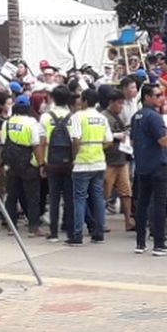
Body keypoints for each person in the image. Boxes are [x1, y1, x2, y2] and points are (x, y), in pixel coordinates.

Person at [131, 83, 167, 256]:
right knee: (159, 203)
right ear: (147, 97)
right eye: (157, 95)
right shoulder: (154, 117)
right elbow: (164, 141)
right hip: (157, 164)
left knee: (142, 203)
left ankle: (140, 242)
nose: (161, 98)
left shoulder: (137, 116)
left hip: (143, 164)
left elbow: (134, 141)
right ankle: (159, 243)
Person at [68, 88, 112, 246]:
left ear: (85, 100)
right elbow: (109, 140)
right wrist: (97, 147)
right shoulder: (101, 118)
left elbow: (75, 140)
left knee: (79, 199)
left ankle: (77, 234)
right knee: (98, 198)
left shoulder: (77, 117)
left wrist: (75, 156)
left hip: (82, 163)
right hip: (99, 161)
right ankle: (99, 233)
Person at [40, 85, 80, 242]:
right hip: (68, 162)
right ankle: (70, 231)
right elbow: (76, 140)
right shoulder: (73, 117)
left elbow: (42, 141)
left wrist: (42, 162)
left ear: (53, 98)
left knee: (54, 197)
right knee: (70, 198)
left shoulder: (45, 117)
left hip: (51, 161)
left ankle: (53, 232)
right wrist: (73, 158)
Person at [1, 95, 44, 237]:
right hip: (28, 164)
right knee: (32, 197)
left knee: (11, 196)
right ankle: (33, 228)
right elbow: (36, 145)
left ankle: (11, 227)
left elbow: (3, 144)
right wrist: (41, 163)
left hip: (11, 165)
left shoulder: (6, 123)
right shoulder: (32, 123)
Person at [101, 94, 134, 232]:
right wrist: (116, 136)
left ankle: (128, 221)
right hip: (109, 160)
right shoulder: (104, 117)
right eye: (119, 103)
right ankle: (100, 223)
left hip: (121, 159)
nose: (121, 107)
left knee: (126, 192)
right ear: (112, 102)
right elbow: (102, 137)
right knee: (104, 194)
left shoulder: (120, 117)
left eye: (122, 104)